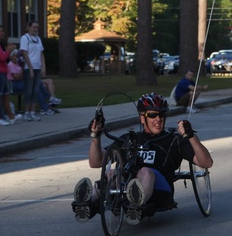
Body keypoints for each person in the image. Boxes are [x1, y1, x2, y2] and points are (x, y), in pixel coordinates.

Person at [71, 93, 213, 225]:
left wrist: (191, 136)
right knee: (112, 172)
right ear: (142, 117)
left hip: (159, 190)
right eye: (152, 115)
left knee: (145, 171)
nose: (158, 119)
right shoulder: (130, 139)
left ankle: (136, 205)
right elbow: (96, 162)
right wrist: (95, 136)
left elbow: (207, 162)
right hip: (127, 185)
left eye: (162, 115)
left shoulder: (174, 139)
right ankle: (87, 203)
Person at [19, 20, 46, 121]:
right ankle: (26, 112)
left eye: (37, 28)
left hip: (38, 67)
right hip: (29, 68)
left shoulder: (38, 39)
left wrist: (43, 66)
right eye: (33, 27)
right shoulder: (25, 38)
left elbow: (41, 53)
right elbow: (25, 53)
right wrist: (30, 67)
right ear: (29, 27)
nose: (35, 29)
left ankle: (32, 112)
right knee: (29, 90)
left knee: (35, 90)